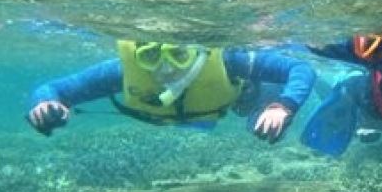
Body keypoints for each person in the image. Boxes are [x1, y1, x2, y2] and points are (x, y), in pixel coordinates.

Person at [27, 40, 316, 143]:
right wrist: (45, 103)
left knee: (260, 120)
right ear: (137, 56)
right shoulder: (121, 71)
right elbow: (52, 89)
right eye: (151, 56)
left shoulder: (229, 59)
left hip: (241, 98)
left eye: (178, 54)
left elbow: (300, 69)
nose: (166, 69)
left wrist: (284, 106)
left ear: (197, 50)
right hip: (200, 113)